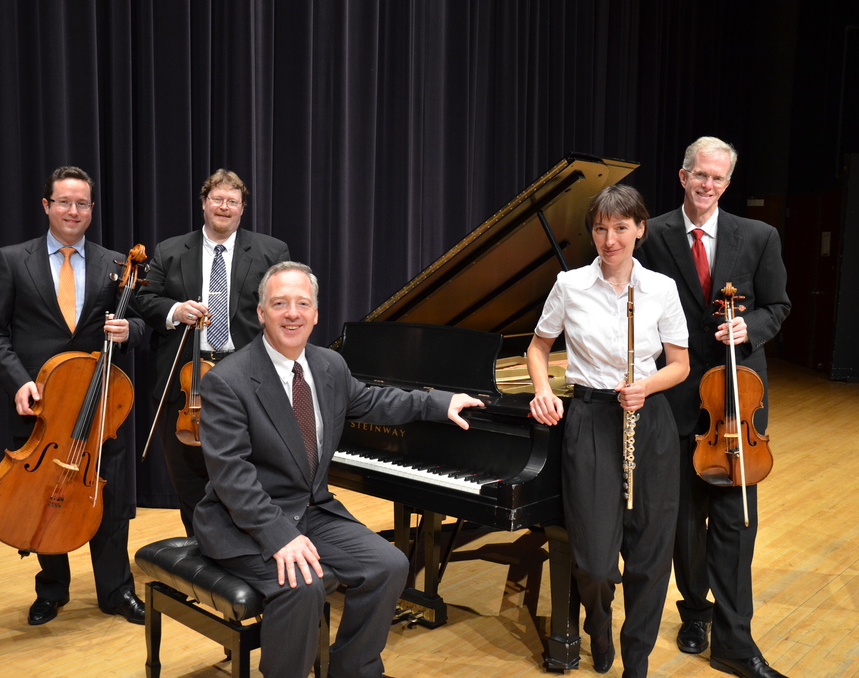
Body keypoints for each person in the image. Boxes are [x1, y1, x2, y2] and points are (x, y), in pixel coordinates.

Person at [193, 262, 484, 678]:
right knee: (302, 585)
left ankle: (353, 668)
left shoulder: (329, 365)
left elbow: (376, 402)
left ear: (314, 313)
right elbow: (231, 476)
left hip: (310, 510)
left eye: (302, 304)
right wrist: (280, 538)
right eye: (279, 304)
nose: (292, 313)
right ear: (261, 313)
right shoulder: (227, 380)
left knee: (389, 565)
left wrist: (439, 403)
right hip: (243, 521)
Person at [636, 137, 791, 678]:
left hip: (737, 403)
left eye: (718, 179)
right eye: (700, 175)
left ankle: (734, 641)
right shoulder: (650, 234)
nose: (708, 185)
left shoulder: (759, 237)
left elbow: (779, 306)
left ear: (727, 183)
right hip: (674, 400)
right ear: (683, 176)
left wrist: (752, 327)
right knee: (683, 525)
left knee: (733, 524)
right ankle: (695, 610)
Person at [527, 184, 689, 677]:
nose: (610, 239)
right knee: (595, 563)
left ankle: (635, 658)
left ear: (640, 229)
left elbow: (680, 364)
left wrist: (647, 385)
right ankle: (598, 627)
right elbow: (537, 348)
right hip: (591, 420)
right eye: (600, 228)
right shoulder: (569, 284)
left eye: (621, 227)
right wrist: (542, 390)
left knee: (649, 555)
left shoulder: (660, 287)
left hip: (649, 419)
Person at [0, 166, 146, 626]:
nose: (74, 211)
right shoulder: (12, 260)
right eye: (65, 202)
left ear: (92, 210)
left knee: (105, 501)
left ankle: (116, 592)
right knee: (41, 497)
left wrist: (130, 329)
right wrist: (18, 382)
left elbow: (144, 322)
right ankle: (52, 590)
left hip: (98, 410)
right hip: (41, 408)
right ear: (47, 205)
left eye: (83, 203)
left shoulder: (116, 263)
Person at [136, 169, 289, 536]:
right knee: (188, 476)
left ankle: (246, 551)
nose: (224, 207)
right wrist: (175, 311)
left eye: (232, 201)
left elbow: (283, 306)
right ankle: (201, 551)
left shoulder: (272, 251)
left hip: (247, 377)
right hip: (186, 380)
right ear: (204, 203)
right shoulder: (169, 251)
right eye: (217, 199)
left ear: (242, 208)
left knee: (248, 471)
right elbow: (144, 299)